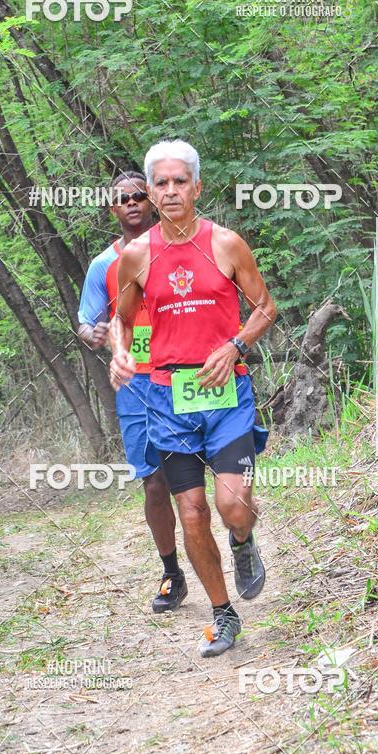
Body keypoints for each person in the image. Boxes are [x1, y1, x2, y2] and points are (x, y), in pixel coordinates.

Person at [110, 142, 277, 657]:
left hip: (227, 393)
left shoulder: (226, 244)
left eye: (179, 181)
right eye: (160, 183)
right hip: (167, 398)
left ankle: (243, 542)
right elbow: (121, 318)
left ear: (197, 187)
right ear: (152, 192)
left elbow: (266, 308)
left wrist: (235, 345)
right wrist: (120, 353)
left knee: (232, 505)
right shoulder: (137, 256)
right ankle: (224, 615)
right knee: (193, 512)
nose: (170, 190)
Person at [78, 171, 187, 613]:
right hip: (136, 383)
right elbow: (85, 321)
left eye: (140, 194)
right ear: (113, 209)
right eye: (123, 198)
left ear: (154, 198)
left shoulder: (185, 248)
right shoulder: (105, 264)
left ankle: (240, 538)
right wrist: (94, 332)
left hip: (186, 374)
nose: (133, 203)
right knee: (155, 481)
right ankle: (171, 573)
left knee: (202, 474)